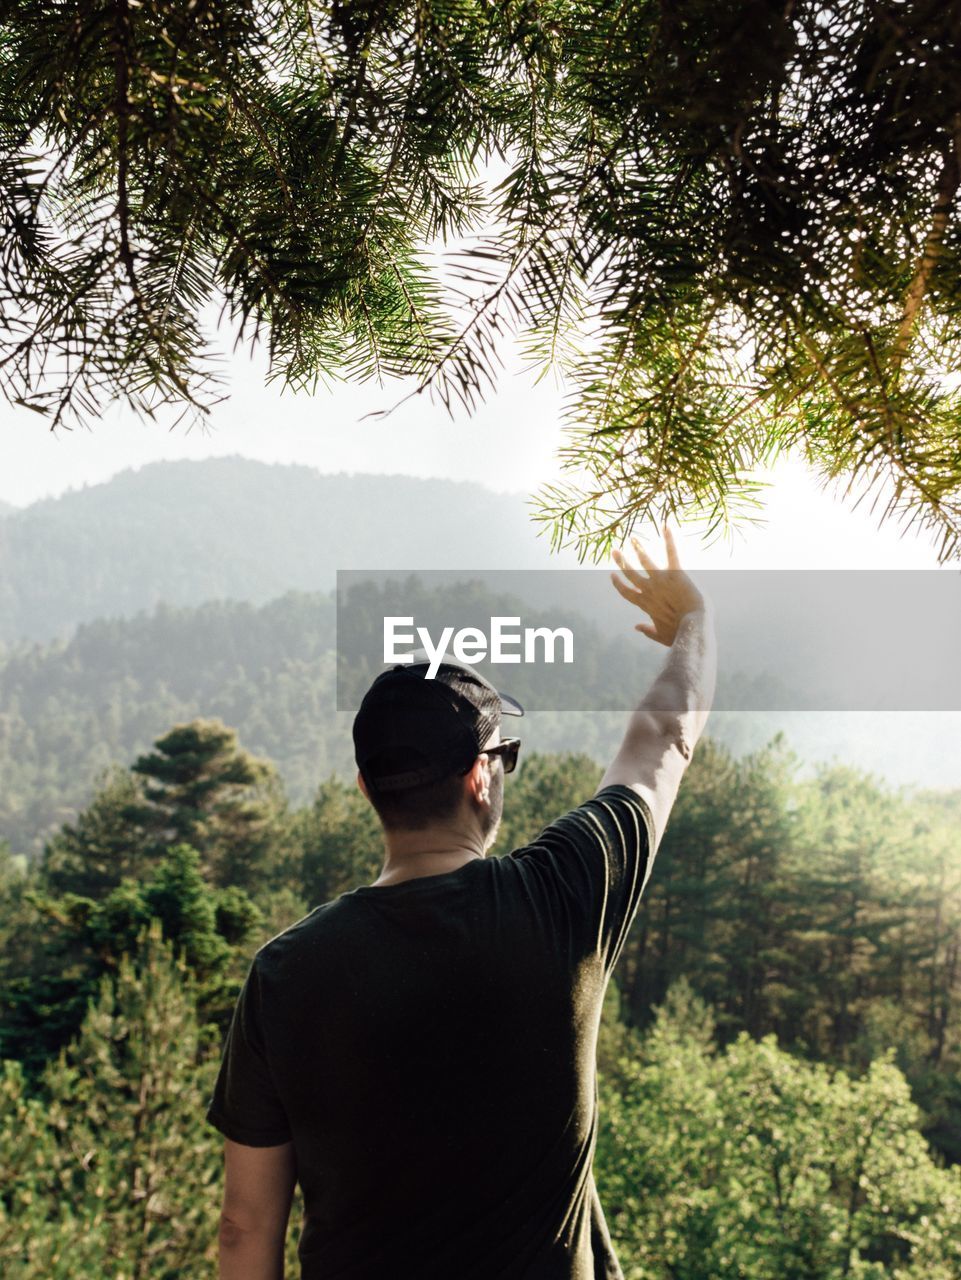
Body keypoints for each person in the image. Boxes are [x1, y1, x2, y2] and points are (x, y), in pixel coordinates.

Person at [206, 521, 716, 1279]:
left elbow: (245, 1230)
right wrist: (695, 628)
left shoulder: (284, 973)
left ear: (365, 788)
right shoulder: (563, 894)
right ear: (480, 776)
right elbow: (661, 740)